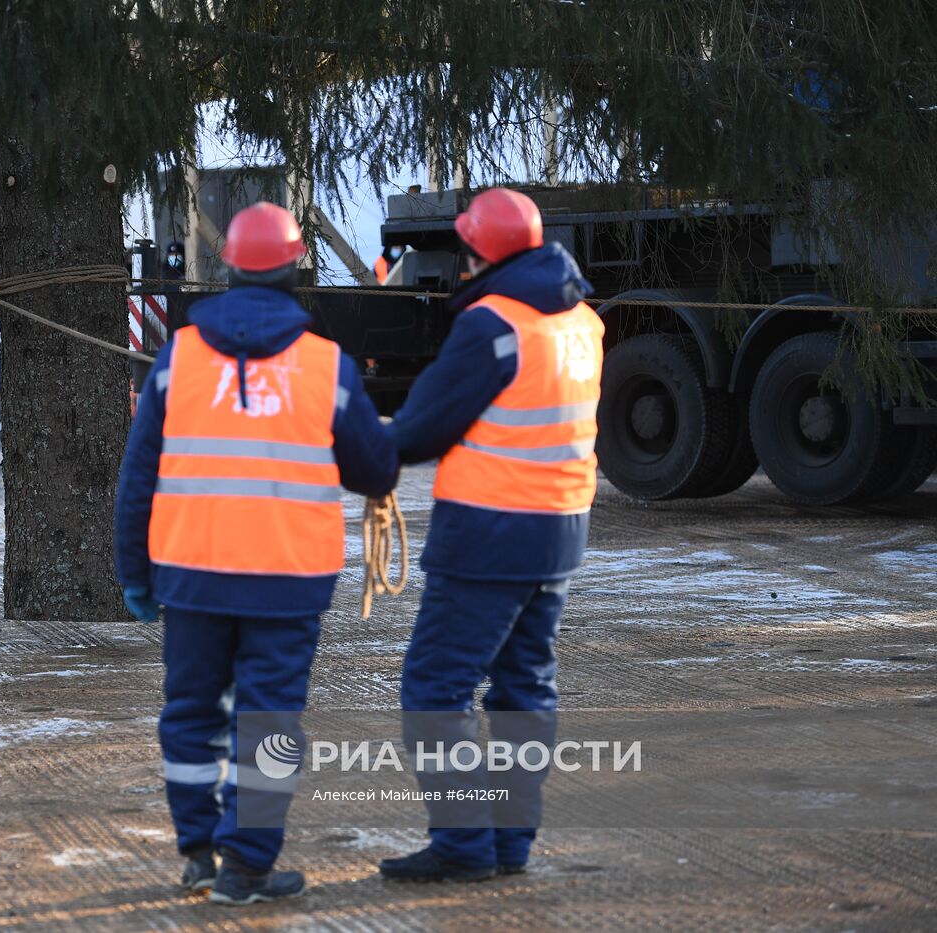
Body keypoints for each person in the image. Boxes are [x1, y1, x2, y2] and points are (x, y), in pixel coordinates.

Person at [114, 202, 398, 905]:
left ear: (230, 269)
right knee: (269, 720)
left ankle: (199, 855)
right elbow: (375, 469)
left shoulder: (179, 356)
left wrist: (134, 575)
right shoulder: (326, 365)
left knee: (189, 715)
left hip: (190, 575)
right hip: (287, 581)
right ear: (297, 268)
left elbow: (136, 474)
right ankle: (247, 864)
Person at [380, 188, 604, 882]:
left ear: (478, 253)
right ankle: (510, 845)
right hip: (558, 532)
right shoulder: (582, 321)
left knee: (434, 689)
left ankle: (464, 846)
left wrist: (367, 441)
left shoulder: (492, 326)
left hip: (488, 536)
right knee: (522, 689)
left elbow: (419, 430)